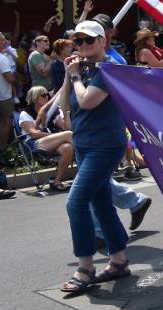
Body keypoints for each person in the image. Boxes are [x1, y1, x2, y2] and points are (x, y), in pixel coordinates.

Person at [56, 21, 132, 294]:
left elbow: (88, 101)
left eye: (89, 41)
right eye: (79, 42)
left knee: (75, 204)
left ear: (102, 41)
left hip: (105, 144)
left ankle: (85, 266)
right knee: (101, 204)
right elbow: (67, 106)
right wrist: (69, 74)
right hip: (85, 142)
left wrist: (76, 77)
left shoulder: (109, 68)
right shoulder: (82, 68)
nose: (84, 47)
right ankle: (119, 261)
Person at [19, 85, 73, 191]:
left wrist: (65, 111)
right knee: (68, 135)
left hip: (52, 142)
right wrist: (56, 136)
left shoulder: (53, 111)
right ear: (35, 98)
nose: (48, 97)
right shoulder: (25, 113)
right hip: (35, 144)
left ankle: (56, 181)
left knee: (68, 148)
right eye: (44, 95)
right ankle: (93, 161)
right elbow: (33, 133)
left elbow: (66, 127)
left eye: (48, 94)